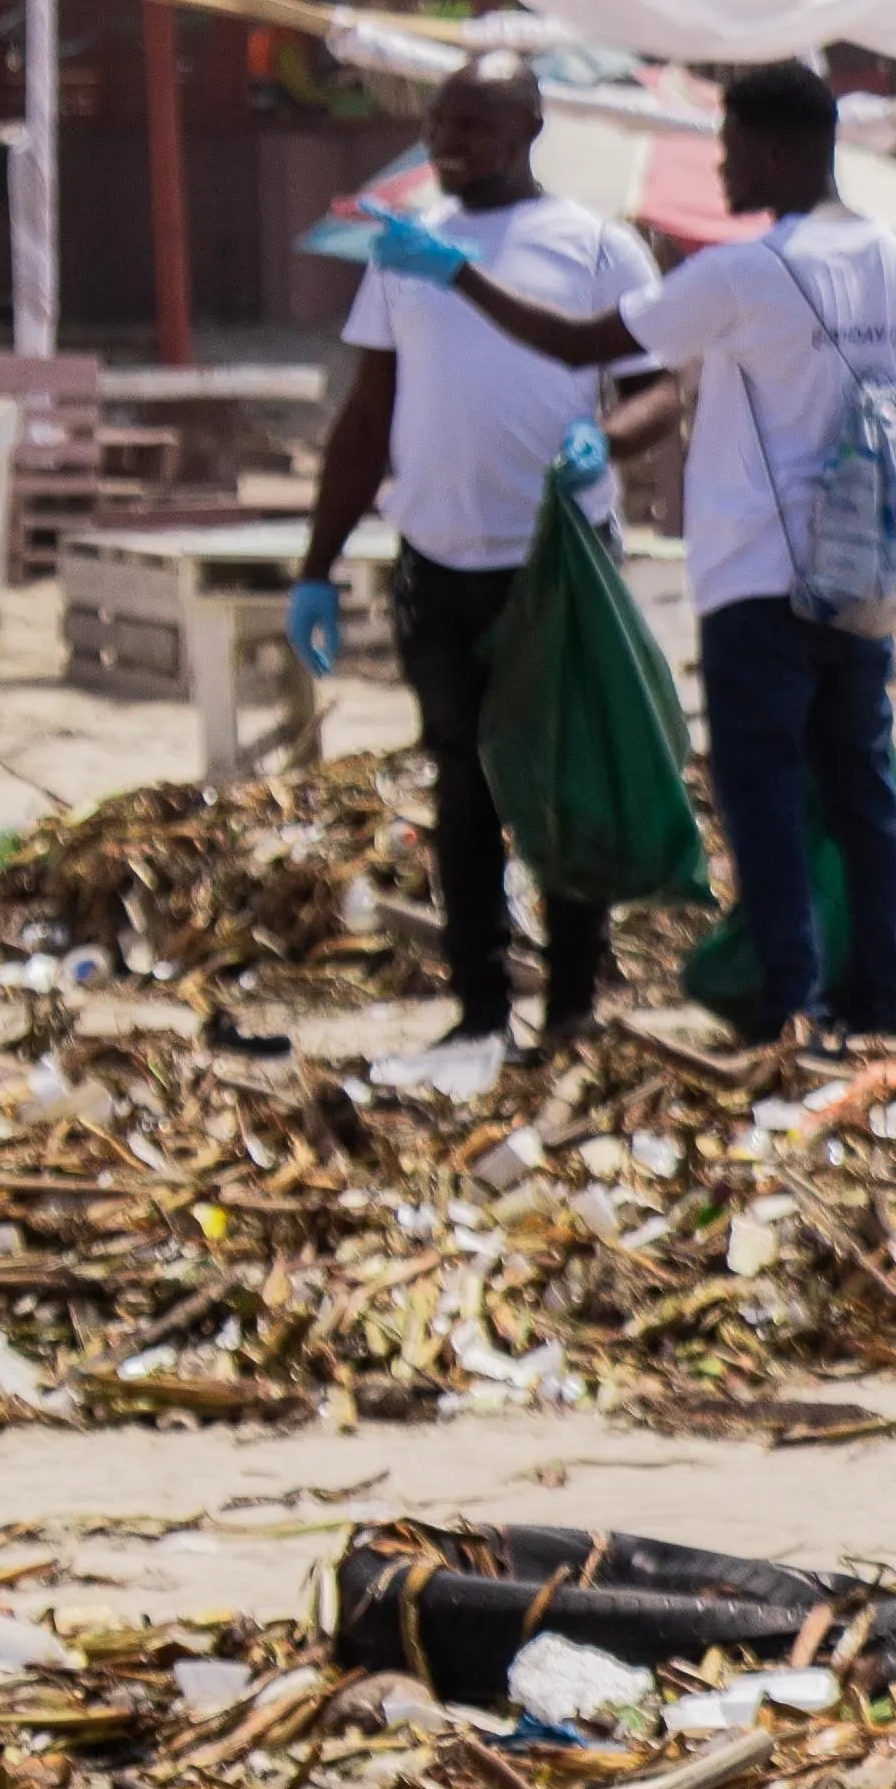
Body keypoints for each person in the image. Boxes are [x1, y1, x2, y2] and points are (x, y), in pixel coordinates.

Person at [365, 58, 896, 1040]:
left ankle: (788, 1006)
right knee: (860, 787)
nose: (719, 168)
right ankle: (874, 999)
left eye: (725, 147)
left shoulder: (743, 271)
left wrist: (457, 272)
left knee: (759, 794)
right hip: (867, 575)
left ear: (768, 149)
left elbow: (578, 346)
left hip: (761, 577)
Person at [294, 55, 668, 1061]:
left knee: (562, 776)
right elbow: (367, 413)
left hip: (558, 562)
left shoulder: (598, 246)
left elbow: (656, 389)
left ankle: (576, 1002)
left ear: (529, 128)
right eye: (436, 123)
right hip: (438, 558)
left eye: (470, 125)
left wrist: (610, 438)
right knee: (462, 783)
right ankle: (478, 1008)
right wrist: (316, 564)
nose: (445, 143)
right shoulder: (406, 252)